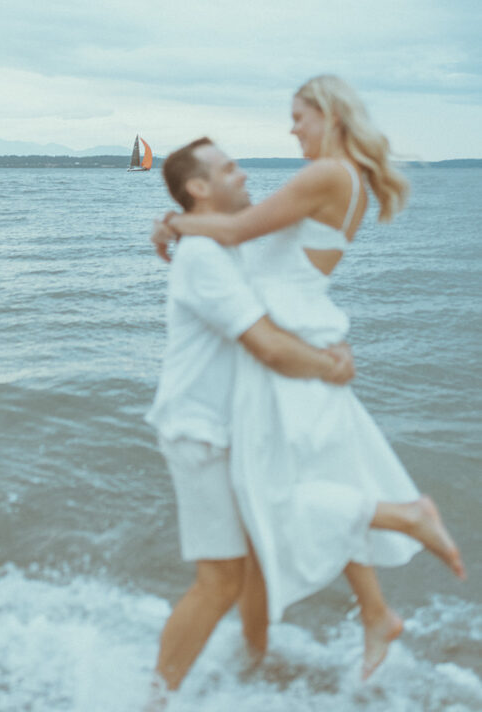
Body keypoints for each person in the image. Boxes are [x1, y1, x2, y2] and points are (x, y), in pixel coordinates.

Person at [151, 77, 465, 680]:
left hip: (291, 339)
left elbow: (239, 232)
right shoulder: (342, 178)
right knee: (321, 478)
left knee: (289, 493)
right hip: (305, 329)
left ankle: (405, 521)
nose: (291, 128)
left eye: (298, 116)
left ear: (329, 114)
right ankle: (349, 622)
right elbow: (244, 235)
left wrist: (174, 223)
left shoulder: (327, 174)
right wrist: (177, 224)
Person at [146, 136, 357, 706]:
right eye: (230, 168)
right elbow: (266, 345)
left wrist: (171, 222)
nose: (245, 175)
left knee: (260, 562)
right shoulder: (204, 258)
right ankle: (156, 698)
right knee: (219, 582)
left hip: (234, 430)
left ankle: (254, 666)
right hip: (200, 433)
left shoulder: (223, 242)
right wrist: (330, 369)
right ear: (199, 187)